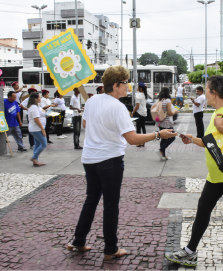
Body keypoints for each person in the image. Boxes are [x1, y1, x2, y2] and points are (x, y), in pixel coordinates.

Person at [66, 66, 177, 260]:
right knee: (110, 204)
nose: (128, 87)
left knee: (91, 200)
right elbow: (133, 139)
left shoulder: (92, 101)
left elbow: (85, 124)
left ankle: (78, 241)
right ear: (116, 85)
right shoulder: (118, 107)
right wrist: (159, 134)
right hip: (109, 161)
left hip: (89, 160)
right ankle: (110, 249)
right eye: (125, 83)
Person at [165, 75, 223, 267]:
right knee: (203, 209)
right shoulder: (218, 112)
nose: (204, 93)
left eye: (206, 90)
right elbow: (212, 144)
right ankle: (190, 252)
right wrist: (193, 139)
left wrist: (221, 128)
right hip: (217, 174)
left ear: (214, 92)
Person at [157, 87, 179, 160]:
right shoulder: (168, 101)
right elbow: (170, 113)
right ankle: (161, 150)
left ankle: (163, 155)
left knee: (164, 138)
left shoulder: (160, 100)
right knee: (172, 137)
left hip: (160, 122)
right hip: (167, 123)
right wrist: (175, 111)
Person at [27, 92, 47, 166]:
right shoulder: (34, 107)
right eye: (39, 97)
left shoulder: (37, 106)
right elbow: (36, 119)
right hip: (36, 129)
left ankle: (36, 160)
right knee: (44, 144)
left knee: (37, 144)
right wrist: (42, 129)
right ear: (35, 99)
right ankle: (34, 157)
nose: (40, 98)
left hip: (36, 128)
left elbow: (41, 115)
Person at [131, 82, 148, 147]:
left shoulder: (138, 96)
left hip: (139, 113)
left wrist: (133, 112)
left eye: (138, 87)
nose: (137, 88)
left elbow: (137, 106)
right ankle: (144, 142)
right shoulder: (145, 94)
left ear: (140, 88)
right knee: (143, 127)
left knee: (138, 128)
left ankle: (139, 143)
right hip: (144, 113)